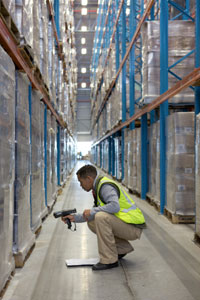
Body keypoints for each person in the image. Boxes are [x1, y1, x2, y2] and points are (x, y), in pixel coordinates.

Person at [62, 164, 146, 271]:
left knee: (100, 217)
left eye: (81, 182)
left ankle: (109, 260)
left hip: (133, 227)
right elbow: (92, 214)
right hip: (125, 224)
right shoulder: (98, 187)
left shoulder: (105, 186)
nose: (80, 185)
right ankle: (121, 249)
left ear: (89, 179)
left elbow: (115, 206)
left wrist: (92, 211)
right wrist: (74, 218)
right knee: (93, 221)